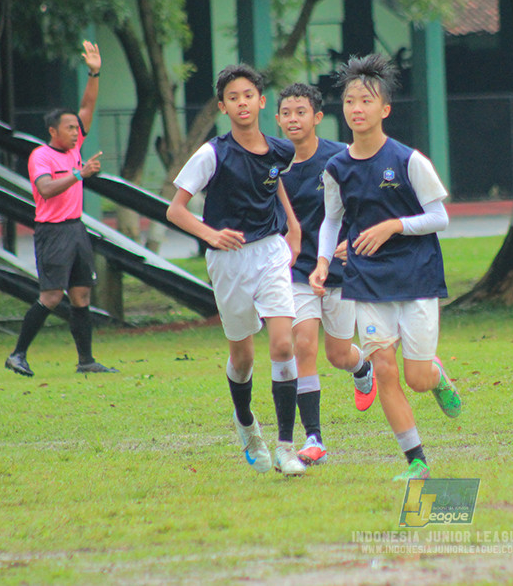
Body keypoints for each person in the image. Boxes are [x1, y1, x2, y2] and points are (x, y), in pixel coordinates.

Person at [310, 54, 461, 481]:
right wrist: (323, 262)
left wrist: (393, 226)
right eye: (350, 101)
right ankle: (416, 461)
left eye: (366, 101)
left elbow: (439, 218)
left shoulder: (410, 160)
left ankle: (438, 377)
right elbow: (332, 221)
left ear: (385, 109)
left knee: (416, 378)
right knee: (385, 371)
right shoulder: (336, 167)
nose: (356, 108)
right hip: (366, 279)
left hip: (416, 276)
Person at [166, 63, 306, 476]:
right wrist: (211, 235)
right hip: (228, 262)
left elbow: (273, 181)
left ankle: (286, 447)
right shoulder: (213, 153)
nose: (242, 102)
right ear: (223, 107)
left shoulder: (282, 150)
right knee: (242, 357)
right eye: (233, 97)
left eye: (249, 95)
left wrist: (293, 228)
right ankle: (245, 423)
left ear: (262, 102)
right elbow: (175, 210)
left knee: (283, 344)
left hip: (270, 253)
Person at [3, 41, 117, 377]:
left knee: (81, 294)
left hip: (76, 228)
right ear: (52, 131)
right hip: (52, 231)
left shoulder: (73, 147)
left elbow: (88, 105)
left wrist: (94, 72)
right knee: (52, 295)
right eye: (68, 128)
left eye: (75, 128)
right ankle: (17, 354)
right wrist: (79, 173)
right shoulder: (42, 156)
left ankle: (86, 361)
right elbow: (46, 190)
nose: (75, 132)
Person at [275, 82, 375, 466]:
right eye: (286, 113)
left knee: (338, 354)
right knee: (304, 345)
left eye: (301, 112)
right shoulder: (274, 163)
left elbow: (365, 202)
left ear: (317, 117)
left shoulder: (340, 158)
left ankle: (361, 366)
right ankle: (313, 438)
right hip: (297, 269)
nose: (293, 119)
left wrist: (353, 239)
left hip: (340, 269)